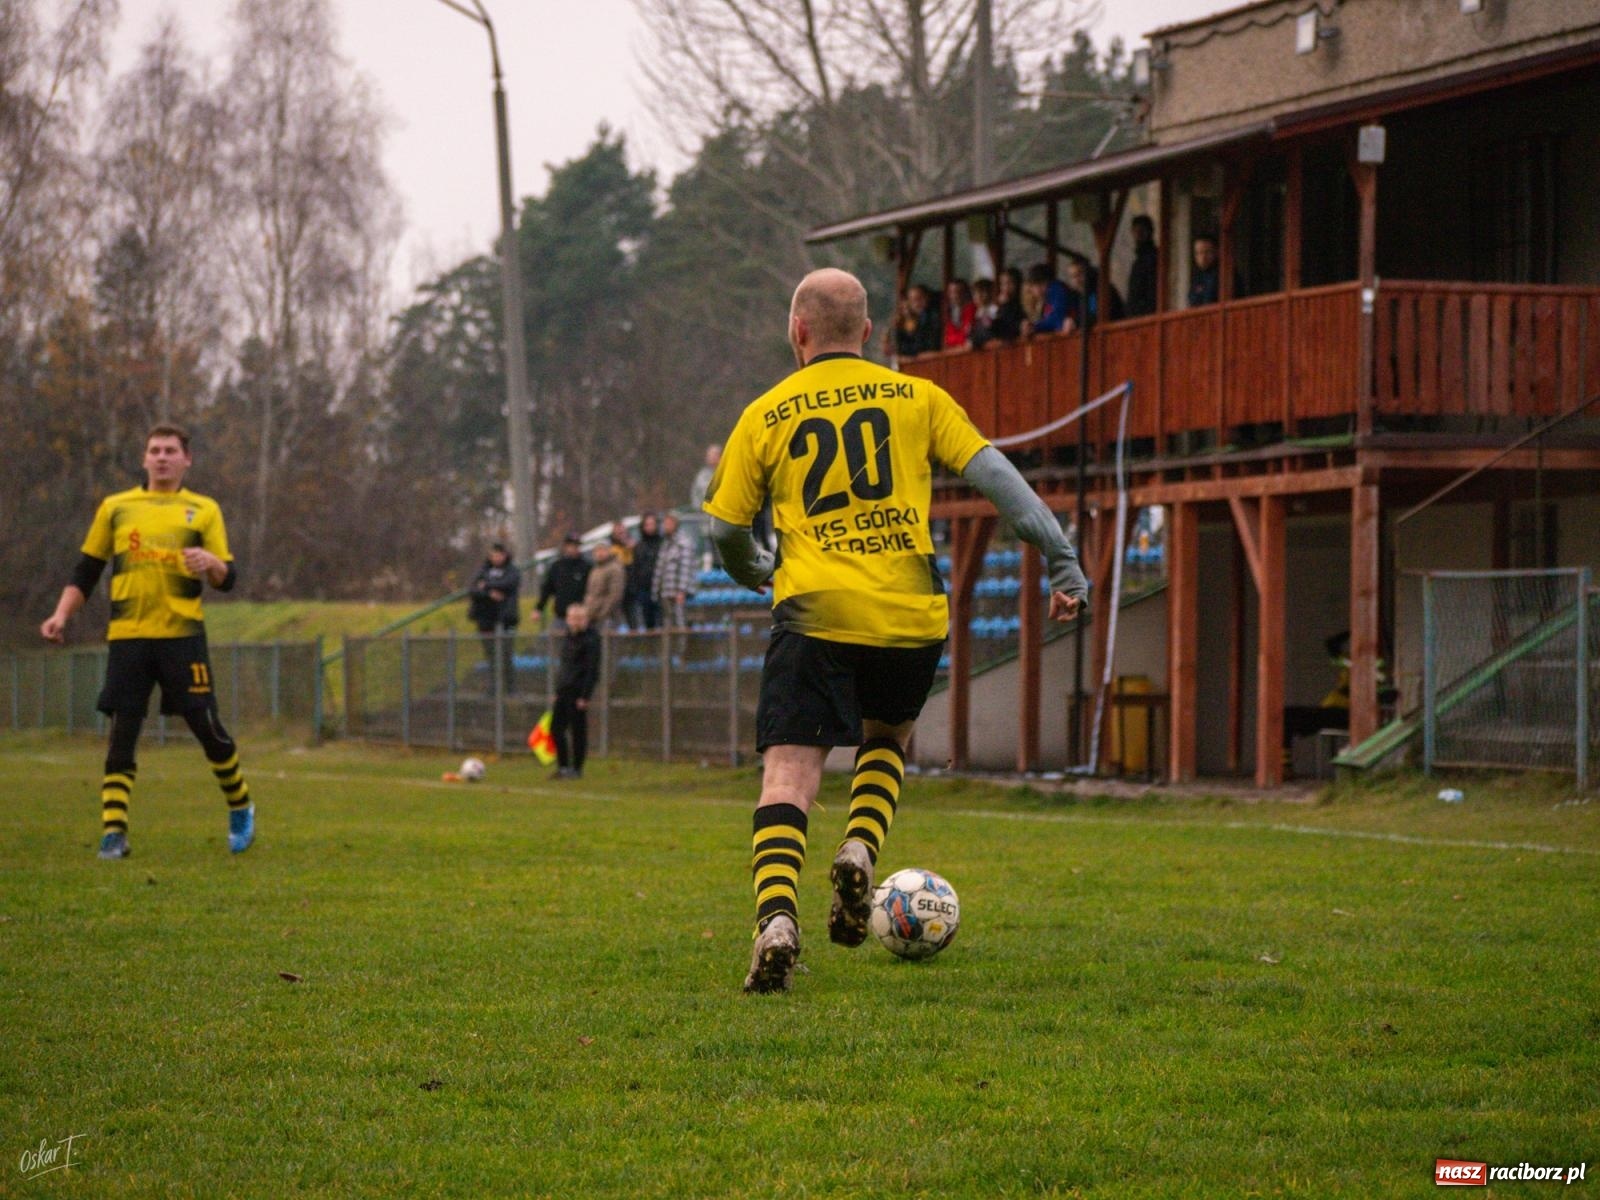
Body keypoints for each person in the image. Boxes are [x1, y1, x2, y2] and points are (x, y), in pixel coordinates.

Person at [704, 267, 1089, 994]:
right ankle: (859, 846)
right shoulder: (918, 396)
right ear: (869, 331)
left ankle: (777, 920)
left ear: (797, 331)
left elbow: (726, 530)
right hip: (911, 610)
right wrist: (1062, 561)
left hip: (816, 609)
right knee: (885, 739)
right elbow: (1000, 479)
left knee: (788, 774)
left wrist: (756, 569)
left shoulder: (766, 412)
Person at [38, 424, 255, 860]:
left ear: (186, 459)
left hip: (183, 637)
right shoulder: (117, 507)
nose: (161, 457)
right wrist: (61, 615)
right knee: (123, 733)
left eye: (170, 451)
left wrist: (211, 563)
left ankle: (240, 804)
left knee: (207, 728)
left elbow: (227, 578)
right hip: (129, 638)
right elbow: (86, 571)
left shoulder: (203, 510)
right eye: (154, 450)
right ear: (144, 458)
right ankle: (114, 832)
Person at [550, 601, 601, 780]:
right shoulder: (568, 637)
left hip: (578, 690)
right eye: (571, 618)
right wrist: (558, 690)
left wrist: (585, 696)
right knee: (556, 729)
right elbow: (565, 666)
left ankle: (577, 768)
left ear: (585, 619)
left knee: (578, 731)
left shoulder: (591, 639)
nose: (574, 622)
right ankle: (563, 766)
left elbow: (592, 670)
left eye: (578, 618)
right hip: (564, 689)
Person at [467, 542, 521, 691]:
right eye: (494, 555)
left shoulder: (512, 570)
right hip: (486, 619)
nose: (496, 558)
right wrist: (489, 593)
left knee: (506, 654)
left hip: (506, 619)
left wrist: (486, 585)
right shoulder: (483, 570)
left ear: (505, 555)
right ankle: (493, 688)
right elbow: (472, 589)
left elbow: (508, 584)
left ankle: (510, 688)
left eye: (499, 555)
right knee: (491, 655)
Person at [652, 512, 697, 631]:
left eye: (668, 523)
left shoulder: (684, 543)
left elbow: (685, 568)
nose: (665, 526)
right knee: (668, 624)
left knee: (680, 623)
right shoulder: (666, 544)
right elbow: (660, 569)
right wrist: (656, 591)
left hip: (677, 594)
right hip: (666, 592)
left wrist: (681, 591)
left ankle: (682, 643)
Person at [536, 533, 590, 630]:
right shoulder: (557, 566)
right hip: (561, 616)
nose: (574, 548)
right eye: (571, 545)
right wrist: (539, 608)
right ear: (565, 547)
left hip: (579, 617)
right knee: (551, 637)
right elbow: (547, 589)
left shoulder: (586, 566)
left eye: (576, 545)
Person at [1065, 255, 1124, 328]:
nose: (1076, 280)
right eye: (1073, 277)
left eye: (1080, 274)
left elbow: (1095, 315)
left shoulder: (1097, 289)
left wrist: (1075, 322)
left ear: (1088, 273)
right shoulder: (1078, 295)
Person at [627, 512, 664, 630]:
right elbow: (635, 567)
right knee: (648, 621)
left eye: (652, 524)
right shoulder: (639, 546)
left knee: (663, 620)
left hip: (661, 589)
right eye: (647, 524)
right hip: (644, 590)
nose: (650, 527)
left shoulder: (663, 544)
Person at [889, 283, 941, 360]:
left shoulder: (933, 316)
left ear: (927, 298)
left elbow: (927, 345)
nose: (916, 304)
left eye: (919, 299)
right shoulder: (909, 320)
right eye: (912, 300)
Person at [1022, 262, 1075, 336]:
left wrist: (1035, 326)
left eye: (1033, 286)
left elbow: (1056, 319)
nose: (1033, 291)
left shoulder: (1056, 289)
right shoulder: (1046, 299)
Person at [583, 539, 626, 629]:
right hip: (592, 616)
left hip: (608, 617)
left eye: (602, 550)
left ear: (609, 551)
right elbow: (590, 593)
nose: (600, 553)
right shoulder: (595, 570)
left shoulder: (614, 569)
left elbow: (615, 595)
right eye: (597, 550)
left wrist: (603, 613)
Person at [1125, 214, 1159, 318]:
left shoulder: (1154, 259)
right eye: (1135, 231)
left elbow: (1152, 291)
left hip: (1147, 317)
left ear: (1149, 232)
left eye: (1141, 231)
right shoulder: (1138, 262)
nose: (1138, 236)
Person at [1187, 234, 1220, 307]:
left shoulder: (1224, 273)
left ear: (1216, 252)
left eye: (1207, 252)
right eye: (1198, 253)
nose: (1203, 257)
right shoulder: (1197, 277)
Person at [942, 278, 975, 349]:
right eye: (951, 292)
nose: (954, 296)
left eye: (958, 292)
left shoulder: (973, 310)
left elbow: (967, 335)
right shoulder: (947, 311)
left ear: (966, 293)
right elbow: (947, 338)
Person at [690, 445, 721, 511]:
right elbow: (707, 493)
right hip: (702, 512)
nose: (711, 458)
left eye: (714, 455)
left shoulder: (724, 472)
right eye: (709, 455)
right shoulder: (703, 475)